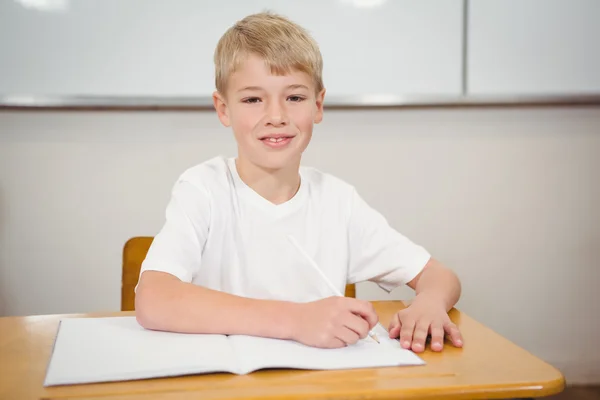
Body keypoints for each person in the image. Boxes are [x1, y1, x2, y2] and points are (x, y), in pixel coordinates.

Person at [135, 11, 463, 353]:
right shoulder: (203, 189)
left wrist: (430, 303)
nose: (276, 116)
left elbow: (439, 276)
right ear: (223, 109)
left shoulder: (338, 202)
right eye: (252, 99)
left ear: (318, 105)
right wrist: (296, 321)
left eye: (294, 98)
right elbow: (153, 299)